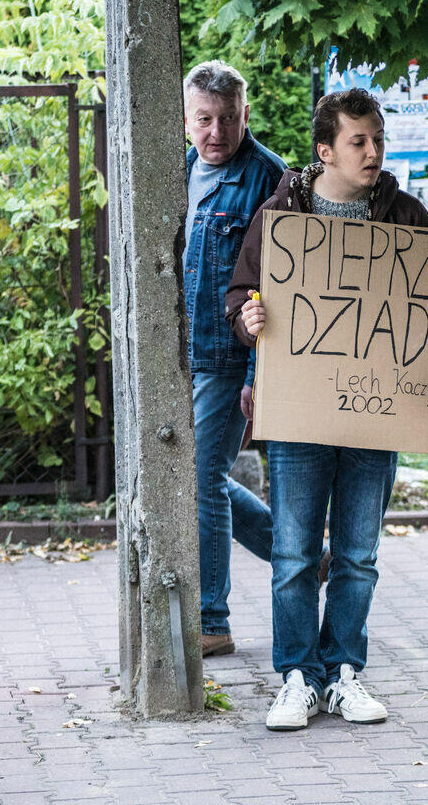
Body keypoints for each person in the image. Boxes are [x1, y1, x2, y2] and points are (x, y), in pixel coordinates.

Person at [226, 88, 428, 731]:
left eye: (377, 140)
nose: (373, 152)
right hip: (300, 416)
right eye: (358, 141)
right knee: (294, 555)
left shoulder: (407, 217)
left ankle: (343, 674)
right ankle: (297, 677)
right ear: (325, 150)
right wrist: (249, 318)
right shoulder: (280, 216)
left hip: (377, 416)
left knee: (358, 556)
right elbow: (240, 297)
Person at [181, 61, 285, 658]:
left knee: (201, 479)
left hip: (227, 358)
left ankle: (211, 620)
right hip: (185, 353)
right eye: (203, 120)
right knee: (205, 477)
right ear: (187, 119)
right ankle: (297, 553)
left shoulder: (269, 178)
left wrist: (254, 374)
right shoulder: (181, 169)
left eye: (226, 119)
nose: (215, 132)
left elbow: (275, 290)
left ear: (245, 114)